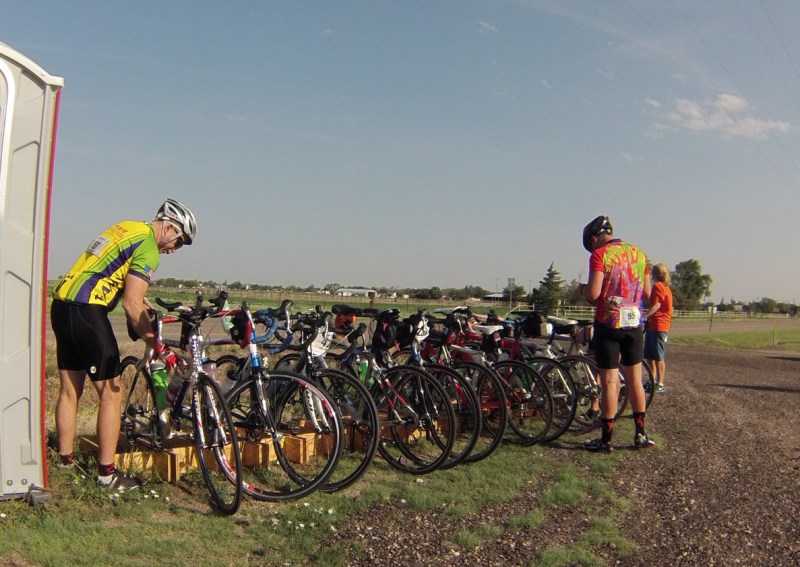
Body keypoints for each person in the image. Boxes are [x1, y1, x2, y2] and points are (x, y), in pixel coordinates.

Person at [51, 199, 196, 489]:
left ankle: (65, 462)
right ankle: (107, 475)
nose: (174, 250)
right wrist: (157, 343)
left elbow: (112, 274)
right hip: (88, 310)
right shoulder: (149, 247)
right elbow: (131, 303)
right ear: (169, 227)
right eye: (179, 241)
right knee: (112, 392)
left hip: (61, 305)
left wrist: (139, 305)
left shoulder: (126, 227)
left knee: (70, 391)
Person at [576, 215, 654, 452]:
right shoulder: (639, 254)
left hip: (608, 324)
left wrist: (582, 290)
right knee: (635, 380)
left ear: (594, 239)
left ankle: (606, 439)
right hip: (634, 325)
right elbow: (648, 292)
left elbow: (594, 293)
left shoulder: (600, 255)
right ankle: (640, 434)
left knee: (610, 381)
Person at [644, 263, 673, 394]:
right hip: (655, 324)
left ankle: (660, 383)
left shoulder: (658, 287)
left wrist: (644, 317)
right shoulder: (666, 288)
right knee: (650, 355)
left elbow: (656, 305)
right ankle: (652, 380)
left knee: (658, 356)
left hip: (659, 324)